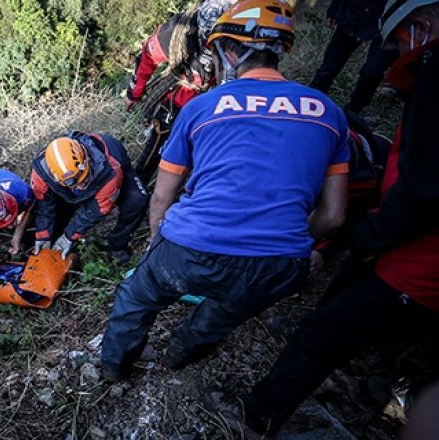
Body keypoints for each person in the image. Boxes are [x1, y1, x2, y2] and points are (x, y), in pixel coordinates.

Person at [203, 0, 439, 435]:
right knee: (347, 288)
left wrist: (367, 235)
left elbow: (421, 189)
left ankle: (256, 416)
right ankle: (351, 364)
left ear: (421, 25)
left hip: (417, 257)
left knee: (324, 334)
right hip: (395, 229)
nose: (399, 49)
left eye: (400, 38)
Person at [100, 0, 351, 382]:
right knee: (226, 310)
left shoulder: (202, 107)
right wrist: (288, 238)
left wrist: (157, 243)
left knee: (136, 298)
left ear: (229, 51)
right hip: (280, 265)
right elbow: (334, 215)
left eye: (215, 54)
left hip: (193, 248)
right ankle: (178, 356)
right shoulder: (330, 112)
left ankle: (114, 370)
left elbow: (163, 197)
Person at [125, 0, 236, 181]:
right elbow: (148, 56)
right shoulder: (177, 33)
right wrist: (133, 93)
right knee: (155, 149)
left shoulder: (242, 39)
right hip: (180, 97)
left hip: (215, 99)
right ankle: (140, 189)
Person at [30, 131, 149, 264]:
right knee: (60, 208)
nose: (81, 187)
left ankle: (117, 244)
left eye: (83, 180)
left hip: (108, 176)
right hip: (69, 186)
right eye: (76, 184)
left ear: (86, 159)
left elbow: (96, 210)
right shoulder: (41, 173)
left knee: (137, 200)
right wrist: (43, 234)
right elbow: (44, 205)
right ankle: (53, 237)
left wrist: (70, 236)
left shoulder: (110, 170)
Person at [309, 0, 398, 114]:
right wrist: (333, 10)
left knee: (372, 71)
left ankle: (355, 111)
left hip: (386, 25)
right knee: (330, 66)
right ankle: (311, 100)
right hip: (352, 17)